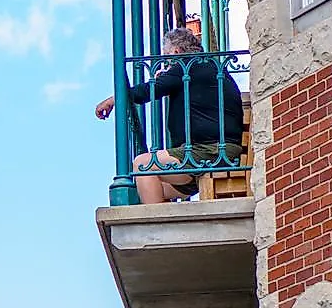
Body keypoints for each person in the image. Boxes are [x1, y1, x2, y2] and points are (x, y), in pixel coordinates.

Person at [95, 25, 245, 205]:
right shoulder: (208, 67)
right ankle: (162, 225)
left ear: (176, 51)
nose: (166, 63)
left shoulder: (187, 65)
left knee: (143, 166)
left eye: (166, 58)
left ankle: (156, 230)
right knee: (151, 187)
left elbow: (149, 91)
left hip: (209, 153)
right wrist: (166, 77)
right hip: (210, 153)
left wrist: (114, 99)